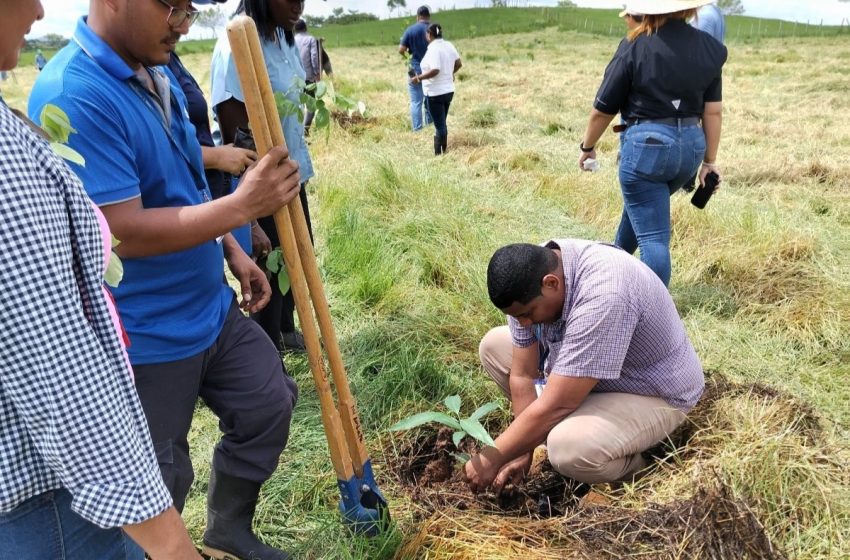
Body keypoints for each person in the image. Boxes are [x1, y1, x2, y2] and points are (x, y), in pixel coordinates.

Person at [29, 1, 302, 558]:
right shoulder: (73, 91)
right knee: (158, 475)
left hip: (208, 307)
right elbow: (119, 230)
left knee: (268, 402)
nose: (182, 21)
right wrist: (239, 209)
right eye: (170, 4)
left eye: (190, 7)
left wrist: (232, 248)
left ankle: (229, 527)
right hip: (145, 333)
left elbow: (185, 184)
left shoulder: (155, 74)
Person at [1, 1, 199, 558]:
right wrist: (168, 539)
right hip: (51, 504)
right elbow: (53, 359)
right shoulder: (48, 115)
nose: (39, 10)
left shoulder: (158, 76)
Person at [463, 240, 704, 495]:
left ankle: (638, 475)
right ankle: (564, 431)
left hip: (651, 390)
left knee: (569, 448)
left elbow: (557, 405)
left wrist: (491, 458)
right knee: (494, 346)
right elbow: (522, 375)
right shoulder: (534, 272)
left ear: (551, 283)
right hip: (591, 377)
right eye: (516, 316)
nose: (522, 323)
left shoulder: (605, 294)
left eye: (527, 313)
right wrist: (521, 452)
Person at [578, 0, 727, 286]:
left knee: (654, 239)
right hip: (691, 150)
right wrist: (709, 161)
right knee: (643, 209)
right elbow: (713, 111)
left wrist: (587, 147)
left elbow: (603, 109)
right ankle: (610, 274)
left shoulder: (635, 44)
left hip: (648, 148)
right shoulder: (711, 48)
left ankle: (656, 312)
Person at [212, 0, 317, 356]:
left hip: (291, 172)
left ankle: (286, 330)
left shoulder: (283, 37)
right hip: (262, 183)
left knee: (297, 257)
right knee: (268, 266)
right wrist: (252, 215)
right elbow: (235, 131)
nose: (297, 5)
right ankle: (268, 351)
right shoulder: (237, 43)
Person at [412, 22, 461, 155]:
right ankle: (442, 152)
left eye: (427, 34)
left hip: (435, 93)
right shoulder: (449, 45)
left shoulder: (433, 49)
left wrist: (419, 78)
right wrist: (450, 73)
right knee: (441, 123)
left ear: (430, 34)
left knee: (440, 125)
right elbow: (458, 63)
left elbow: (435, 70)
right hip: (449, 90)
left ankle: (440, 155)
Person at [399, 5, 433, 131]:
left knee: (416, 102)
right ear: (429, 16)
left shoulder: (410, 30)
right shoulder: (433, 30)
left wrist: (409, 57)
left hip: (415, 71)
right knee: (429, 102)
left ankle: (418, 131)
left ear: (417, 16)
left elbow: (401, 50)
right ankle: (430, 128)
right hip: (431, 72)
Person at [294, 18, 326, 135]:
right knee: (311, 106)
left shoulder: (291, 40)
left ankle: (296, 131)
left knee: (296, 105)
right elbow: (314, 57)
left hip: (295, 78)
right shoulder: (310, 39)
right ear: (305, 28)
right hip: (308, 78)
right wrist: (317, 73)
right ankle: (305, 130)